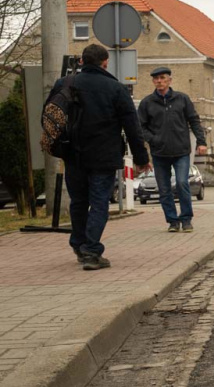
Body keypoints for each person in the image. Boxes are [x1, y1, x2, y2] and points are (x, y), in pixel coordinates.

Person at [53, 44, 152, 270]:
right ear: (105, 62)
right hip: (103, 155)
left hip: (72, 153)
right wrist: (141, 157)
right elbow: (132, 126)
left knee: (78, 201)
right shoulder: (116, 89)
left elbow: (52, 115)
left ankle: (79, 244)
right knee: (99, 202)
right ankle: (91, 250)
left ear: (81, 62)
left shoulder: (64, 84)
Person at [138, 66, 208, 233]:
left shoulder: (182, 99)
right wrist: (153, 139)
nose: (159, 81)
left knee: (183, 183)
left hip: (181, 151)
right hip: (159, 152)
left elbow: (194, 121)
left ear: (170, 80)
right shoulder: (147, 103)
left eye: (162, 78)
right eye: (156, 79)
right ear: (153, 81)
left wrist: (201, 142)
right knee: (164, 189)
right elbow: (140, 126)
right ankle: (172, 221)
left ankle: (186, 219)